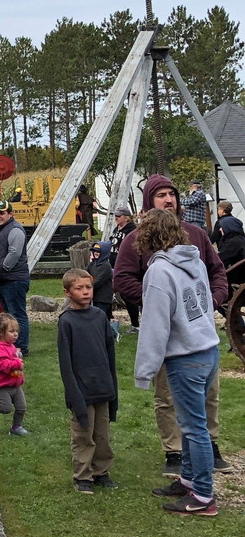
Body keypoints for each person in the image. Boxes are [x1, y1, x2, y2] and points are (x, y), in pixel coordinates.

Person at [113, 174, 229, 476]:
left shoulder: (196, 234)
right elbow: (122, 278)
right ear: (149, 201)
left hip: (200, 329)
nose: (168, 200)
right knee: (166, 395)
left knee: (209, 393)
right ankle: (174, 451)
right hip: (168, 333)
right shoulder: (136, 239)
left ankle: (210, 444)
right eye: (161, 195)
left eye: (172, 194)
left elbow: (217, 272)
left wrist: (211, 300)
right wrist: (157, 300)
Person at [133, 209, 220, 516]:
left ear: (148, 235)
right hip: (208, 350)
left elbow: (155, 325)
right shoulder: (194, 260)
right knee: (191, 424)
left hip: (186, 357)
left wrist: (144, 371)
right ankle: (188, 480)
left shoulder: (159, 271)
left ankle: (203, 497)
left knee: (194, 428)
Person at [57, 269, 117, 494]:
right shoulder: (67, 321)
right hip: (81, 389)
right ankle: (82, 476)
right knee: (83, 434)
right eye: (79, 288)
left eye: (88, 287)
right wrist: (74, 394)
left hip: (102, 386)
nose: (85, 292)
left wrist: (112, 387)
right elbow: (65, 363)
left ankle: (101, 471)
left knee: (102, 434)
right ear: (67, 292)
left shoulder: (100, 316)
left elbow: (110, 354)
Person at [0, 200, 31, 356]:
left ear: (10, 214)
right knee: (7, 316)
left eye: (2, 213)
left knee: (17, 315)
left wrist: (3, 267)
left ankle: (21, 348)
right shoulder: (1, 230)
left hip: (14, 279)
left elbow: (14, 253)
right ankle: (10, 347)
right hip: (4, 279)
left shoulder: (15, 230)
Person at [108, 205, 140, 334]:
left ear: (126, 217)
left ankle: (135, 324)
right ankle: (108, 322)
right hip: (113, 264)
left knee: (128, 294)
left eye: (119, 216)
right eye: (115, 215)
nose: (116, 218)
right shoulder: (117, 229)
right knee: (108, 292)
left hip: (124, 265)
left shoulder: (131, 230)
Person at [86, 241, 116, 332]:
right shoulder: (92, 264)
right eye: (94, 251)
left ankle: (107, 333)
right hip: (95, 296)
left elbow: (98, 281)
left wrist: (87, 287)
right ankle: (104, 333)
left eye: (98, 251)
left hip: (103, 298)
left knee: (101, 318)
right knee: (98, 317)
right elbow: (85, 274)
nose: (96, 253)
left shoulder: (106, 266)